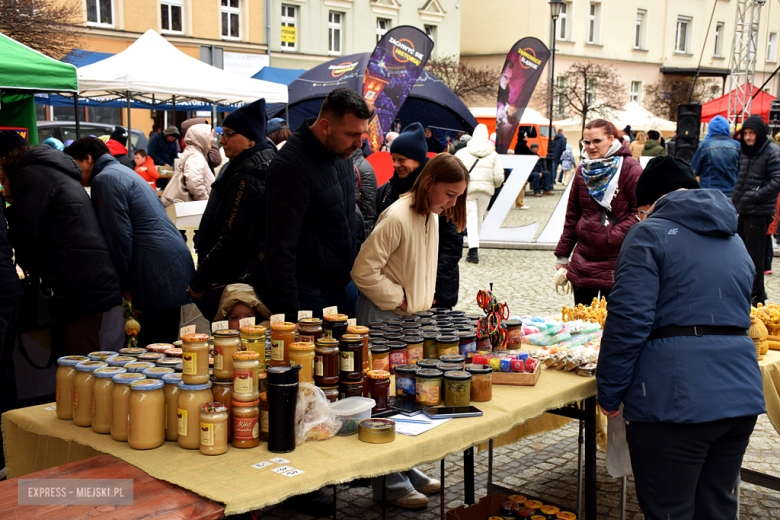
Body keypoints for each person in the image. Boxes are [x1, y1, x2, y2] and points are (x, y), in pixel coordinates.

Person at [597, 154, 765, 520]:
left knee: (669, 511)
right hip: (739, 397)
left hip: (676, 401)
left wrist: (609, 392)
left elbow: (628, 320)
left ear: (651, 204)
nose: (641, 217)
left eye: (642, 210)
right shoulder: (733, 237)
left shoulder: (649, 232)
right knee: (716, 508)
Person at [352, 153, 468, 508]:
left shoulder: (429, 215)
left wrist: (419, 300)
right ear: (430, 183)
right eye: (450, 194)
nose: (453, 203)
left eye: (457, 197)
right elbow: (363, 270)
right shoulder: (398, 216)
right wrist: (398, 298)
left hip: (410, 319)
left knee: (408, 398)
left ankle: (405, 466)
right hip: (384, 318)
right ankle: (389, 479)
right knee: (384, 399)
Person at [0, 131, 120, 356]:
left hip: (77, 282)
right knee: (76, 361)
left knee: (79, 364)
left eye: (1, 176)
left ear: (6, 161)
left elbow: (24, 231)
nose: (1, 181)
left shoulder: (31, 174)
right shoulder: (44, 169)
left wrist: (13, 204)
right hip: (84, 278)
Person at [66, 137, 194, 347]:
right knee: (162, 346)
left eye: (75, 164)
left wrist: (124, 284)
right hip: (168, 264)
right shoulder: (121, 172)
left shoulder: (104, 179)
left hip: (154, 269)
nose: (75, 173)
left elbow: (118, 237)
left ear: (88, 158)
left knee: (152, 350)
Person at [265, 88, 370, 322]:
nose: (359, 143)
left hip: (345, 287)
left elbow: (347, 217)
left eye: (363, 133)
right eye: (352, 134)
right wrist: (290, 319)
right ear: (325, 126)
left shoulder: (341, 151)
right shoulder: (291, 166)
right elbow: (279, 250)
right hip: (311, 297)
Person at [189, 100, 278, 322]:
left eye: (229, 134)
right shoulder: (245, 166)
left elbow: (232, 236)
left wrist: (200, 278)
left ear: (250, 140)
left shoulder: (247, 175)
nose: (221, 140)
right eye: (222, 133)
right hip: (240, 274)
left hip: (237, 278)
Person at [375, 123, 464, 311]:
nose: (395, 165)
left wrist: (429, 288)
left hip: (435, 296)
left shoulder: (440, 192)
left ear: (418, 160)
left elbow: (451, 248)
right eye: (393, 159)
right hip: (397, 295)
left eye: (402, 160)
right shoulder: (386, 190)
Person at [554, 119, 642, 305]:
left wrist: (613, 235)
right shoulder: (583, 170)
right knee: (582, 326)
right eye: (586, 142)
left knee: (613, 326)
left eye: (597, 141)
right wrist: (562, 255)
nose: (591, 146)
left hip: (617, 261)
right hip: (583, 261)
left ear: (611, 139)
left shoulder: (629, 168)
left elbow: (642, 212)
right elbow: (572, 215)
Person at [732, 115, 780, 306]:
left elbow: (777, 181)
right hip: (743, 210)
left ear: (760, 133)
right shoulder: (745, 152)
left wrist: (755, 196)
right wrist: (736, 202)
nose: (748, 137)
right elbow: (741, 180)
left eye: (752, 133)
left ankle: (757, 297)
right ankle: (742, 292)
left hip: (758, 213)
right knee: (738, 254)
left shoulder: (772, 152)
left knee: (755, 257)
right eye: (746, 133)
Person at [455, 123, 503, 264]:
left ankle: (473, 250)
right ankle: (474, 249)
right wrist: (494, 185)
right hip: (485, 191)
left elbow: (454, 169)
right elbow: (499, 177)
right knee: (478, 218)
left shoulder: (462, 152)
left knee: (470, 218)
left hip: (468, 190)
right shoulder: (493, 155)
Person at [163, 123, 215, 206]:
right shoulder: (195, 156)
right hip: (195, 207)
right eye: (209, 136)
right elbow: (194, 184)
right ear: (201, 138)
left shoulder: (190, 153)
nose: (211, 139)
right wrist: (207, 203)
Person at [691, 115, 741, 198]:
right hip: (731, 193)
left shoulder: (704, 145)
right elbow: (742, 171)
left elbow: (693, 170)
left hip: (709, 193)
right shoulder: (737, 146)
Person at [352, 147, 378, 237]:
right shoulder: (361, 162)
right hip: (368, 222)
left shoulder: (354, 166)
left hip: (362, 223)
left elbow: (352, 202)